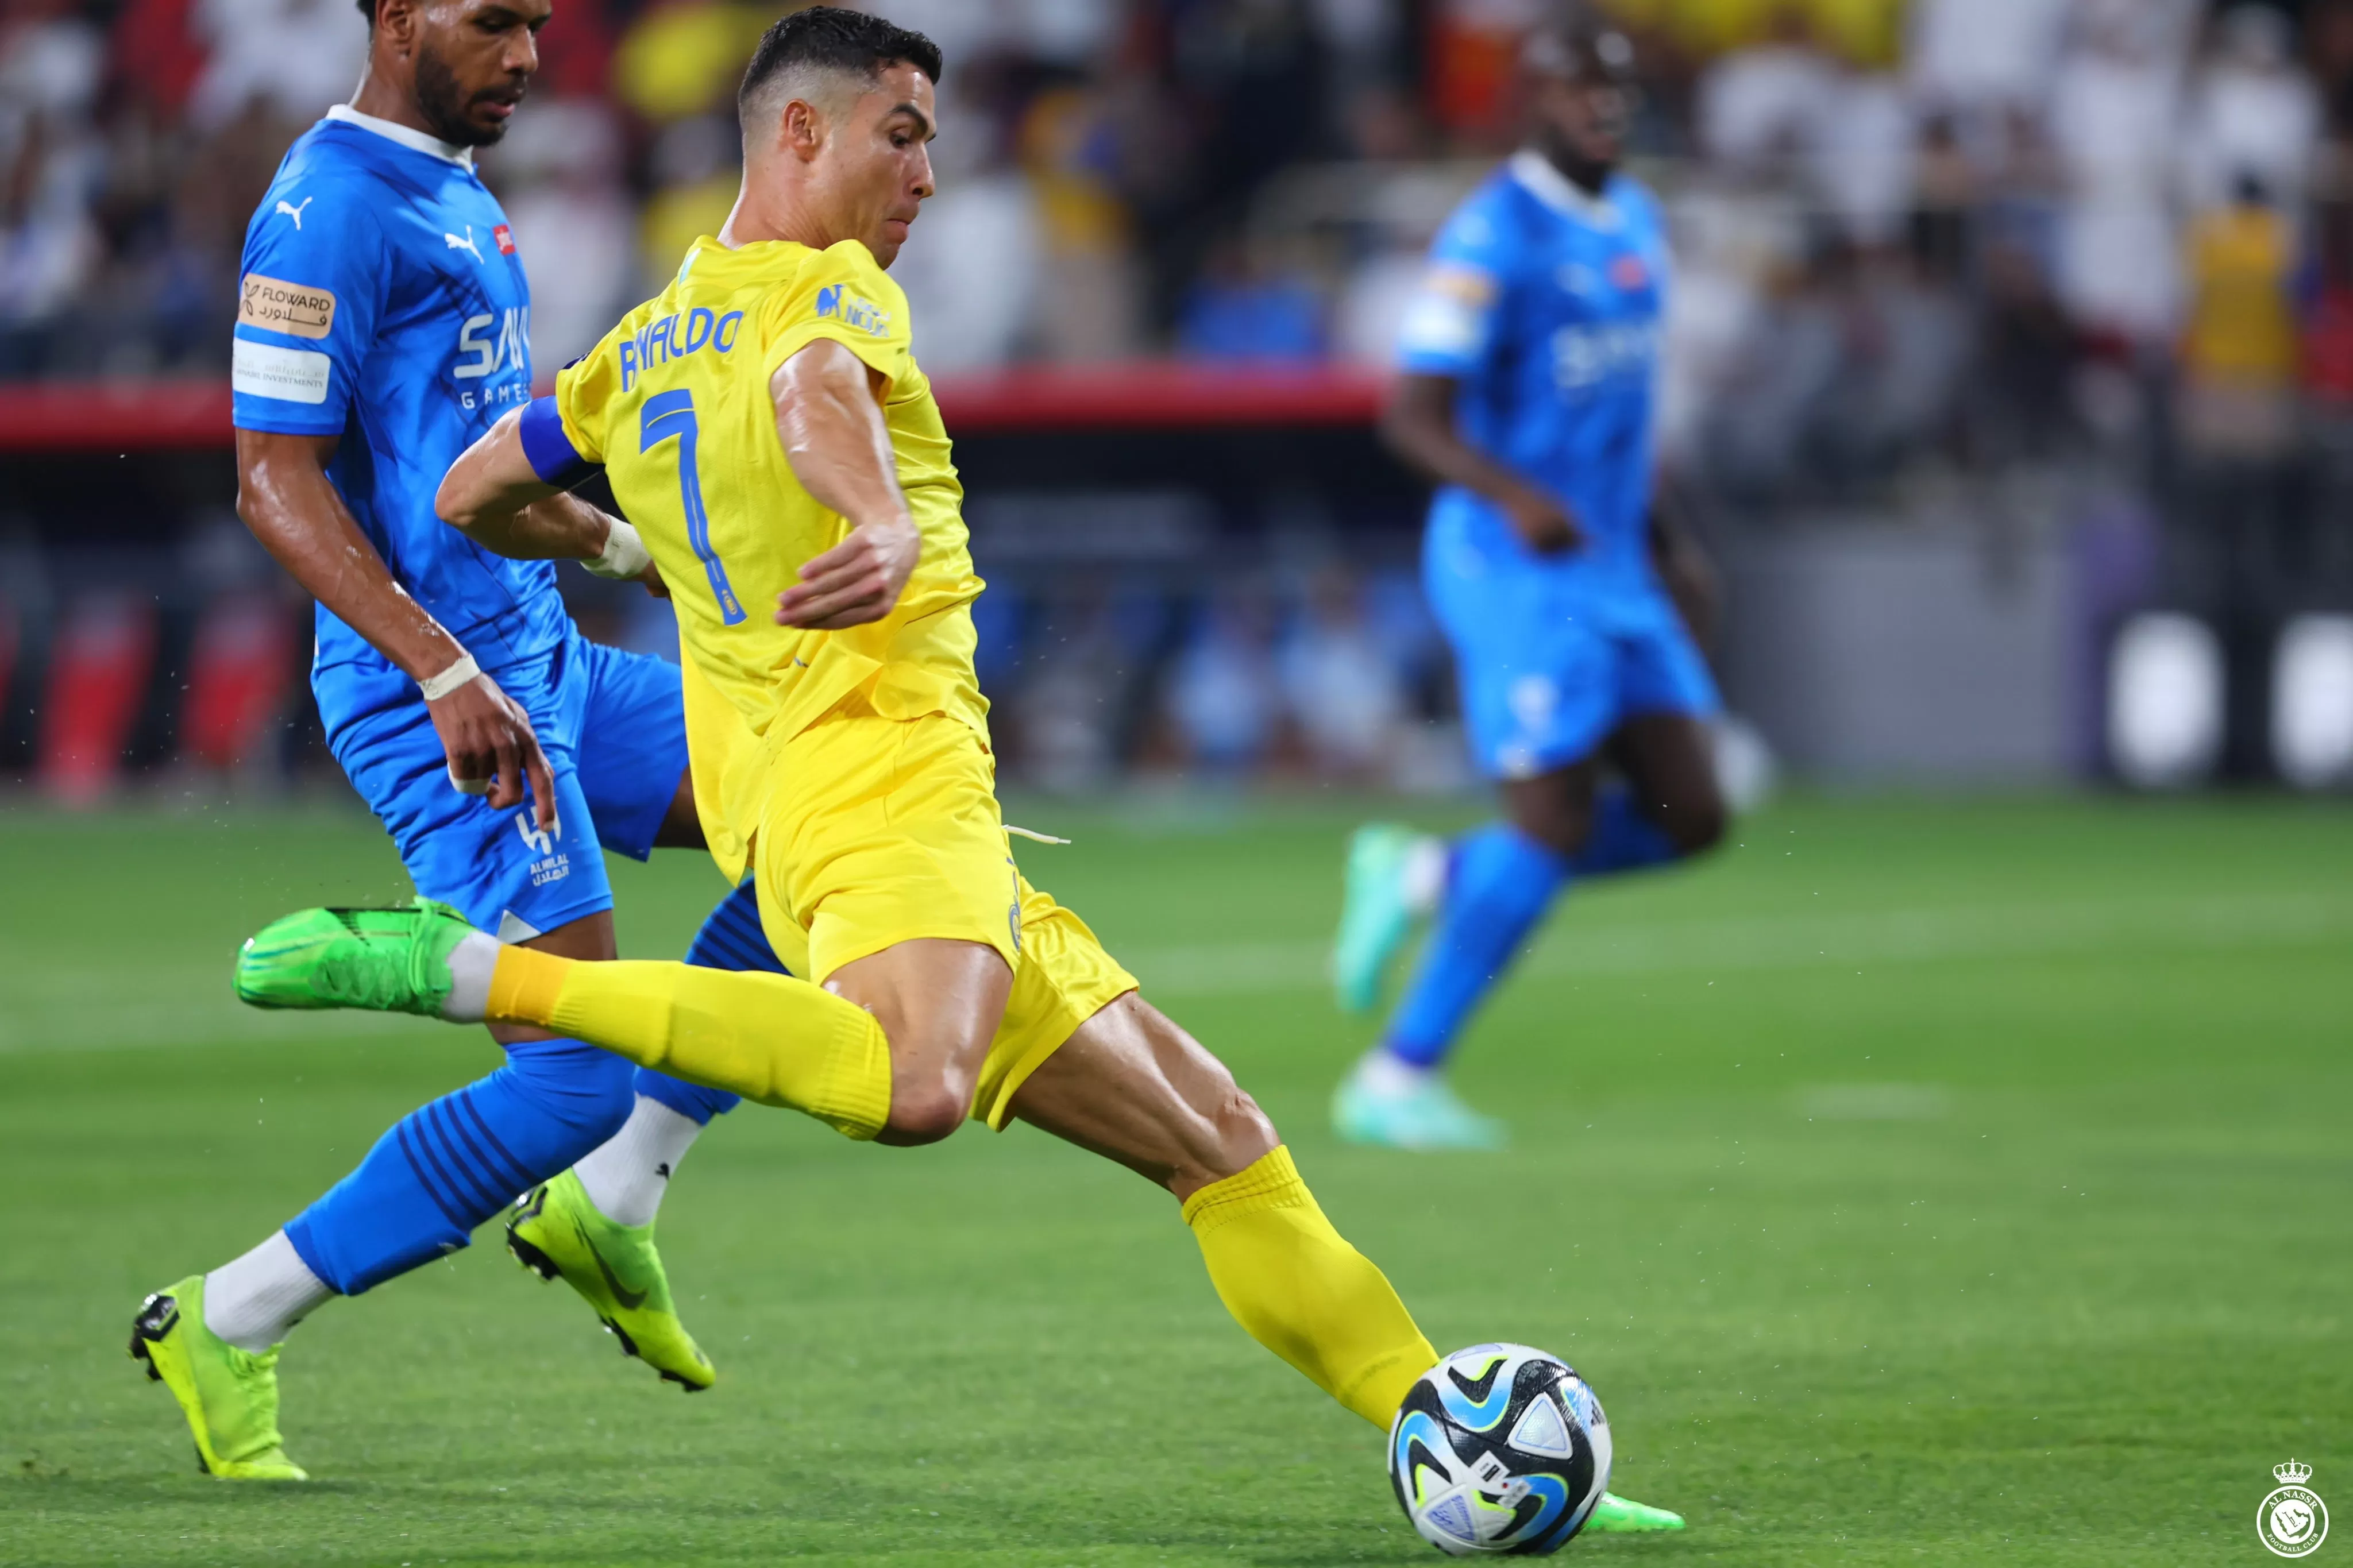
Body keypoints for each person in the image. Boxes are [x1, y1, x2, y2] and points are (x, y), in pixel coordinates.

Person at [228, 6, 1683, 1534]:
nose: (927, 174)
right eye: (903, 134)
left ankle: (1447, 1431)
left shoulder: (644, 337)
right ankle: (474, 977)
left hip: (858, 810)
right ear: (802, 133)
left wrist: (620, 543)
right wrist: (886, 525)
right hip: (885, 794)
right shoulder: (827, 298)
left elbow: (474, 486)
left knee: (1218, 1136)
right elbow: (815, 401)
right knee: (916, 1088)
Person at [128, 0, 786, 1484]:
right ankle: (229, 1316)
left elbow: (470, 470)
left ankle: (614, 1203)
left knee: (816, 805)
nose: (530, 57)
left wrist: (634, 550)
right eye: (493, 24)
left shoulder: (455, 187)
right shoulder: (325, 211)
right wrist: (435, 669)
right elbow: (270, 485)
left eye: (539, 24)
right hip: (443, 699)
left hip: (544, 654)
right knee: (569, 1079)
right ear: (396, 16)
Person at [1329, 19, 1727, 1152]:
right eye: (1576, 88)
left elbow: (1619, 415)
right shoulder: (1488, 237)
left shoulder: (1638, 221)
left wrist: (1668, 540)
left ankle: (1425, 873)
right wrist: (1513, 497)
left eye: (1617, 87)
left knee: (1688, 816)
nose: (1603, 107)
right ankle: (1396, 1075)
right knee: (1548, 818)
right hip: (1512, 565)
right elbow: (1410, 416)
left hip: (1610, 559)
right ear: (1530, 101)